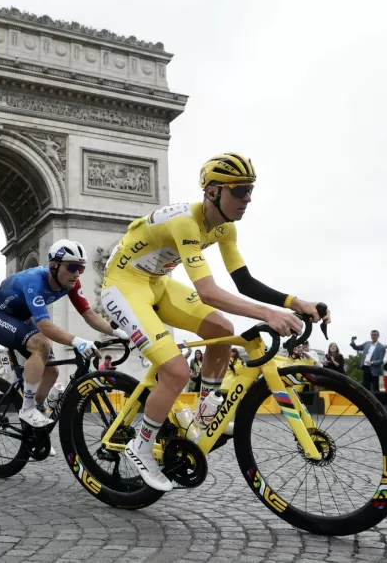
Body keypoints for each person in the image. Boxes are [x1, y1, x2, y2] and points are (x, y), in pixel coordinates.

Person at [100, 153, 329, 491]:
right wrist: (268, 314)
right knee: (177, 371)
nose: (248, 198)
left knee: (222, 330)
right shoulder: (185, 223)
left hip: (157, 283)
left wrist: (296, 302)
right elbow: (207, 292)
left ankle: (207, 414)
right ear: (212, 192)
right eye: (239, 191)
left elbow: (245, 282)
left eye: (250, 190)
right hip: (124, 285)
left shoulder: (225, 228)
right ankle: (141, 445)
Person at [0, 239, 128, 428]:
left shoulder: (71, 283)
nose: (77, 273)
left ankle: (34, 414)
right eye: (72, 267)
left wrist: (118, 331)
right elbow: (44, 325)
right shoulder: (34, 280)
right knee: (41, 345)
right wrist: (77, 341)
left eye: (81, 268)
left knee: (52, 371)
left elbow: (89, 314)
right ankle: (27, 409)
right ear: (54, 265)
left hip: (21, 320)